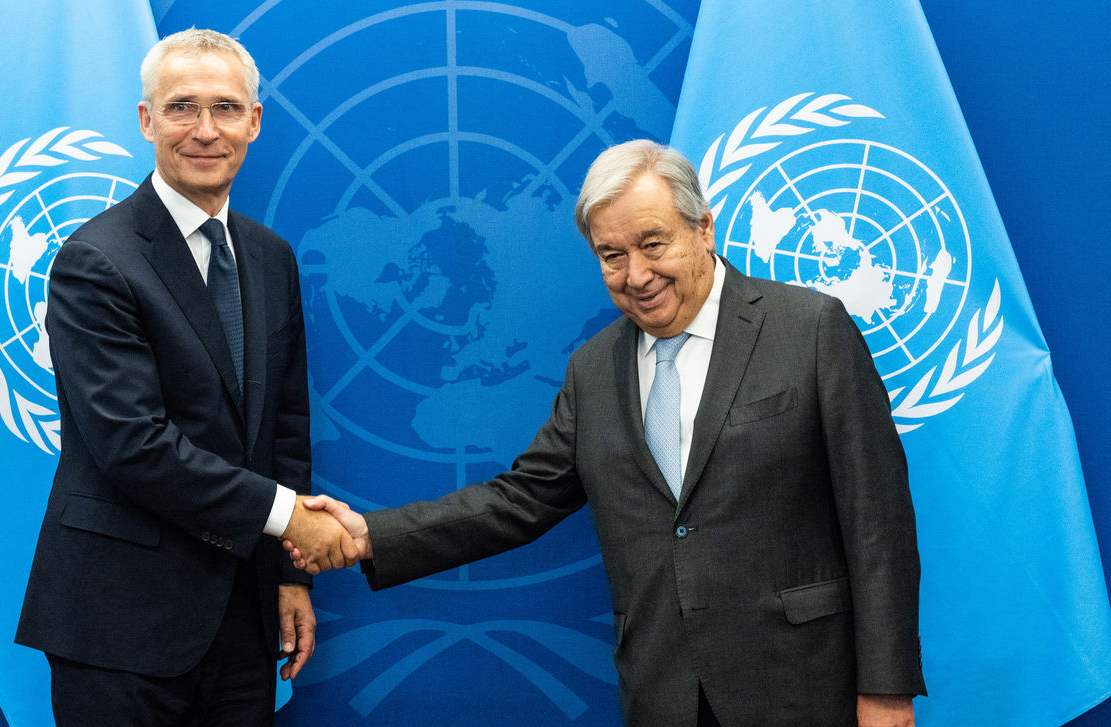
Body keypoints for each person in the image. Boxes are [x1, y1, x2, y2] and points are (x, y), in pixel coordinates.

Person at [288, 140, 925, 726]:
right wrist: (369, 535)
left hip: (805, 689)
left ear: (703, 229)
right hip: (663, 692)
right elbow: (521, 499)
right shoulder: (594, 368)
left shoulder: (810, 329)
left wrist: (887, 690)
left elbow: (878, 524)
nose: (636, 275)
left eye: (654, 244)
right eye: (612, 256)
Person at [16, 28, 356, 726]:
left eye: (227, 108)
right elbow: (132, 444)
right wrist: (290, 517)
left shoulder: (272, 256)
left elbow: (284, 426)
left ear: (254, 123)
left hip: (242, 616)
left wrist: (289, 571)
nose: (205, 130)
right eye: (182, 108)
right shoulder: (95, 262)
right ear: (146, 120)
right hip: (120, 624)